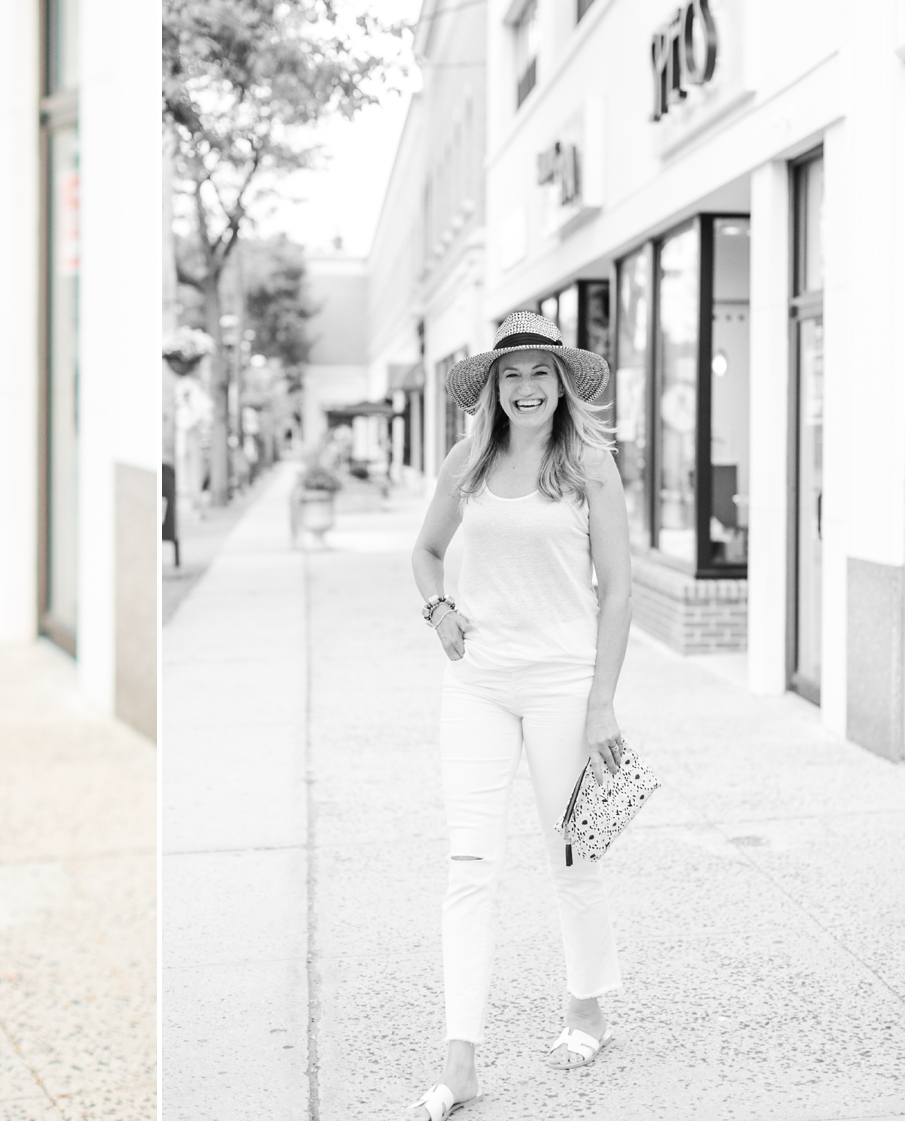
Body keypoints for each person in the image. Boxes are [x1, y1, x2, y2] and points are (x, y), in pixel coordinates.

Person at [407, 311, 631, 1121]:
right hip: (477, 684)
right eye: (512, 375)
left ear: (562, 382)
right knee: (469, 865)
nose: (527, 387)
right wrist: (439, 611)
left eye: (541, 372)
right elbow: (425, 549)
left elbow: (619, 589)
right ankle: (459, 1058)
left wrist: (603, 700)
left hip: (565, 686)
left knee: (573, 853)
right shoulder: (467, 459)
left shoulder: (590, 465)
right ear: (493, 389)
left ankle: (586, 1006)